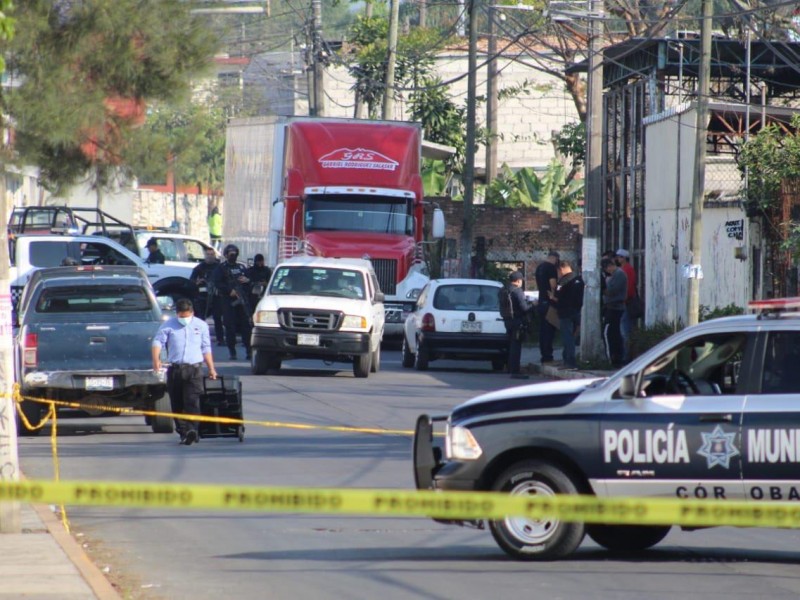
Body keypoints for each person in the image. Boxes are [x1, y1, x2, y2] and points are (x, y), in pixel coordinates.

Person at [151, 298, 217, 446]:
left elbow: (206, 348)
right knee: (177, 403)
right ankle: (183, 432)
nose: (184, 319)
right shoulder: (168, 325)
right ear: (177, 314)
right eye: (181, 316)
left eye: (186, 316)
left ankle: (192, 430)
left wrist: (211, 368)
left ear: (192, 312)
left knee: (192, 401)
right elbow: (157, 342)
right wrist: (156, 360)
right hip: (175, 370)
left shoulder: (201, 325)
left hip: (194, 369)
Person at [212, 244, 252, 360]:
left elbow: (250, 281)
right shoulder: (221, 268)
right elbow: (217, 282)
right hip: (228, 300)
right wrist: (229, 291)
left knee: (246, 325)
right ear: (226, 255)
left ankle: (249, 350)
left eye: (234, 254)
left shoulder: (241, 267)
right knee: (230, 326)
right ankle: (232, 350)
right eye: (230, 254)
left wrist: (247, 280)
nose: (233, 256)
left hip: (242, 299)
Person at [550, 259, 585, 369]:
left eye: (559, 271)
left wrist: (552, 297)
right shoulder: (579, 279)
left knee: (567, 338)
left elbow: (558, 297)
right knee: (572, 337)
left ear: (562, 268)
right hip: (577, 311)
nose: (559, 273)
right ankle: (568, 360)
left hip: (565, 313)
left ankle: (569, 362)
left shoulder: (563, 281)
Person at [190, 247, 226, 346]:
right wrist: (198, 282)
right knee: (201, 318)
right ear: (205, 256)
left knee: (217, 318)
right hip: (203, 296)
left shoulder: (219, 267)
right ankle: (198, 339)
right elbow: (191, 281)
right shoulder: (199, 267)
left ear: (214, 255)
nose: (210, 256)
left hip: (216, 296)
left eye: (212, 254)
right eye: (208, 254)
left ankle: (220, 339)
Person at [504, 271, 534, 379]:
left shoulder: (505, 290)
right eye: (521, 280)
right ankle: (515, 370)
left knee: (511, 345)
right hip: (517, 321)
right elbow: (525, 308)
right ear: (518, 281)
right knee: (516, 346)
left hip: (507, 321)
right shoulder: (517, 291)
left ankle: (510, 368)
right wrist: (533, 304)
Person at [601, 257, 627, 368]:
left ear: (610, 266)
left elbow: (612, 291)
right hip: (610, 307)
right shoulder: (613, 275)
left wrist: (603, 286)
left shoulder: (619, 274)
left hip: (616, 307)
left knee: (610, 333)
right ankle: (614, 356)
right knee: (613, 333)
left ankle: (615, 357)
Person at [534, 251, 559, 364]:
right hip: (549, 302)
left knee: (543, 330)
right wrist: (555, 295)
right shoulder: (551, 268)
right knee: (549, 330)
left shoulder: (539, 267)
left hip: (541, 300)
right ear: (555, 258)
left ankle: (543, 354)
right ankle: (548, 355)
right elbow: (553, 285)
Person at [615, 248, 637, 362]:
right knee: (625, 330)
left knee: (626, 331)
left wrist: (623, 298)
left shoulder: (627, 269)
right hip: (625, 302)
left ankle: (627, 357)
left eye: (619, 257)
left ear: (623, 258)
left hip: (627, 303)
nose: (618, 259)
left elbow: (628, 287)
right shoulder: (623, 269)